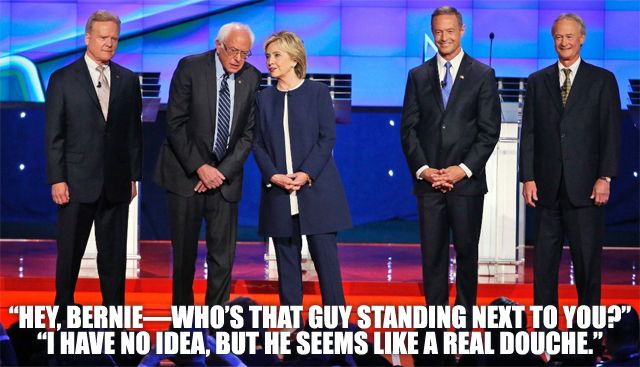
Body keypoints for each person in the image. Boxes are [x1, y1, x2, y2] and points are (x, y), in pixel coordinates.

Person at [400, 6, 501, 322]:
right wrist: (424, 170)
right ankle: (436, 322)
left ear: (462, 31)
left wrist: (462, 169)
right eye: (438, 31)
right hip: (429, 184)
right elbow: (409, 129)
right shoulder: (418, 76)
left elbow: (489, 131)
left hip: (466, 184)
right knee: (432, 257)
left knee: (467, 254)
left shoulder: (482, 75)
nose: (443, 37)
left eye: (449, 31)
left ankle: (466, 318)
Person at [154, 22, 261, 306]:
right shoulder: (190, 67)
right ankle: (184, 328)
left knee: (222, 260)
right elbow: (175, 123)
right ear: (218, 45)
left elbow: (248, 134)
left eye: (245, 53)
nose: (238, 59)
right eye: (234, 51)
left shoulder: (252, 77)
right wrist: (201, 167)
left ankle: (217, 328)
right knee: (184, 258)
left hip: (225, 182)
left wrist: (221, 173)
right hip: (186, 177)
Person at [520, 13, 620, 310]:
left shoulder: (602, 80)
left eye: (569, 36)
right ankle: (544, 332)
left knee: (588, 266)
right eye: (558, 37)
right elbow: (530, 133)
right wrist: (528, 177)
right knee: (545, 268)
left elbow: (610, 132)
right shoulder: (538, 81)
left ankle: (587, 334)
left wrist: (606, 177)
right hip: (546, 189)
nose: (563, 42)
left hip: (587, 188)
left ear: (582, 38)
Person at [45, 10, 142, 308]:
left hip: (115, 183)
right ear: (88, 37)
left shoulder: (127, 79)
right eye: (103, 37)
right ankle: (63, 314)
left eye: (114, 38)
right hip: (75, 182)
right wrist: (57, 178)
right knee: (70, 253)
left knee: (113, 256)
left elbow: (133, 134)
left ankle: (114, 321)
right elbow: (54, 135)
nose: (109, 43)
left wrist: (132, 177)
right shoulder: (63, 78)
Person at [252, 31, 352, 306]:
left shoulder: (317, 92)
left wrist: (306, 173)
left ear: (295, 59)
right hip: (278, 192)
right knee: (286, 267)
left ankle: (336, 331)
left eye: (276, 55)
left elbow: (326, 138)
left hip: (317, 191)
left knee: (327, 267)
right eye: (268, 56)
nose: (270, 62)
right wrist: (273, 174)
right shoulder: (263, 98)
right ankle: (292, 330)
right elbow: (257, 143)